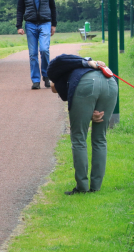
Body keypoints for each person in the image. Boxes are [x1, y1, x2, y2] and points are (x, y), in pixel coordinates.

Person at [47, 54, 118, 195]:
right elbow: (82, 106)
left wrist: (86, 62)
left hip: (87, 84)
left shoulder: (57, 69)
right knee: (100, 138)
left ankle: (82, 187)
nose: (54, 91)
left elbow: (60, 61)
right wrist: (88, 113)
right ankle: (96, 186)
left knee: (78, 138)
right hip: (111, 83)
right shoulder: (74, 72)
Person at [16, 0, 57, 89]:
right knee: (33, 54)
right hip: (30, 24)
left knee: (44, 50)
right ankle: (35, 80)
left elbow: (53, 7)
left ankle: (46, 75)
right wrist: (19, 26)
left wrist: (53, 24)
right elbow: (20, 9)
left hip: (45, 23)